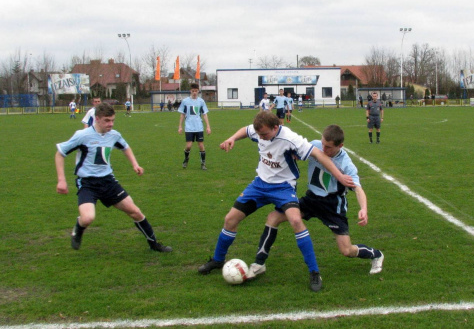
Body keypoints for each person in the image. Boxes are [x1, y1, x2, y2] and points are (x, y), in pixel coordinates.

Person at [197, 112, 355, 292]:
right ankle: (218, 260)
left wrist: (340, 176)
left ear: (275, 128)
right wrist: (232, 138)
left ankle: (314, 272)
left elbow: (319, 155)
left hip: (284, 188)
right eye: (259, 135)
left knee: (296, 221)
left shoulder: (291, 139)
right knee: (230, 219)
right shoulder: (259, 130)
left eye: (264, 134)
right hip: (259, 185)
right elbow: (246, 130)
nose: (261, 137)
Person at [247, 124, 384, 281]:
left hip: (332, 206)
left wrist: (364, 209)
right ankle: (259, 263)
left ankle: (376, 254)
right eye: (323, 144)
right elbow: (295, 153)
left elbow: (358, 189)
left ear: (340, 146)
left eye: (329, 147)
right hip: (311, 199)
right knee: (273, 217)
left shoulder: (346, 164)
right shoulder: (315, 146)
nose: (324, 150)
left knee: (347, 250)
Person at [55, 103, 172, 252]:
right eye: (107, 120)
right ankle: (79, 227)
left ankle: (154, 244)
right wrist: (61, 180)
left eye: (112, 120)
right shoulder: (82, 136)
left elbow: (125, 147)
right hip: (87, 183)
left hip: (108, 181)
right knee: (88, 218)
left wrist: (135, 164)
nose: (110, 124)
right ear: (97, 119)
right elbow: (60, 153)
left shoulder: (114, 135)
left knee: (135, 212)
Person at [178, 83, 211, 170]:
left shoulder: (201, 101)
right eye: (193, 91)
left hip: (199, 127)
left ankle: (203, 164)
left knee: (201, 145)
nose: (194, 93)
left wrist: (208, 126)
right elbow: (182, 114)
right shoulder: (185, 101)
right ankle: (186, 158)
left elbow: (205, 114)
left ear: (198, 91)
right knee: (188, 146)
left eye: (196, 91)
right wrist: (180, 126)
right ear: (190, 91)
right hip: (189, 127)